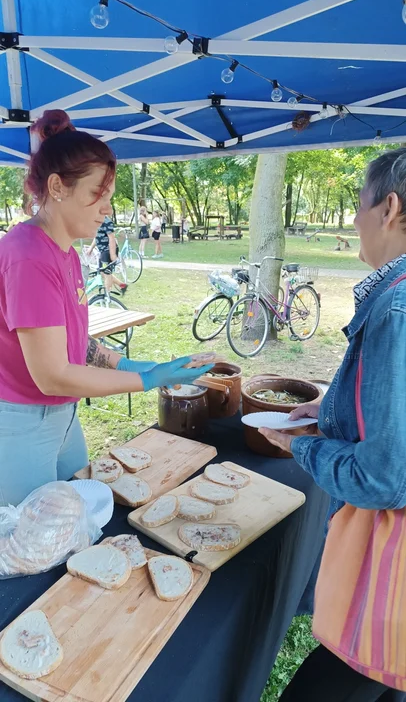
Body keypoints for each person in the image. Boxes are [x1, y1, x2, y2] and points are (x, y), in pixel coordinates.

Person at [0, 109, 213, 508]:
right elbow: (53, 377)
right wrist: (147, 382)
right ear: (58, 187)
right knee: (29, 546)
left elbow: (72, 346)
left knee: (76, 516)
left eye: (110, 197)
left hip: (62, 416)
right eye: (98, 194)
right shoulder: (27, 254)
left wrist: (130, 365)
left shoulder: (63, 251)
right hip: (22, 422)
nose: (106, 209)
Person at [260, 148, 406, 701]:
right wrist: (331, 412)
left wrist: (304, 447)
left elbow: (383, 478)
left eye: (359, 205)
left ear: (388, 207)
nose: (353, 220)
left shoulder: (396, 307)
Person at [87, 216, 127, 295]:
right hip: (103, 251)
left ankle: (107, 296)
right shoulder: (96, 220)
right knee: (102, 272)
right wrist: (91, 248)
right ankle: (122, 285)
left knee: (106, 273)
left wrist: (113, 255)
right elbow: (97, 236)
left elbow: (112, 238)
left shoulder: (106, 221)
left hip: (108, 250)